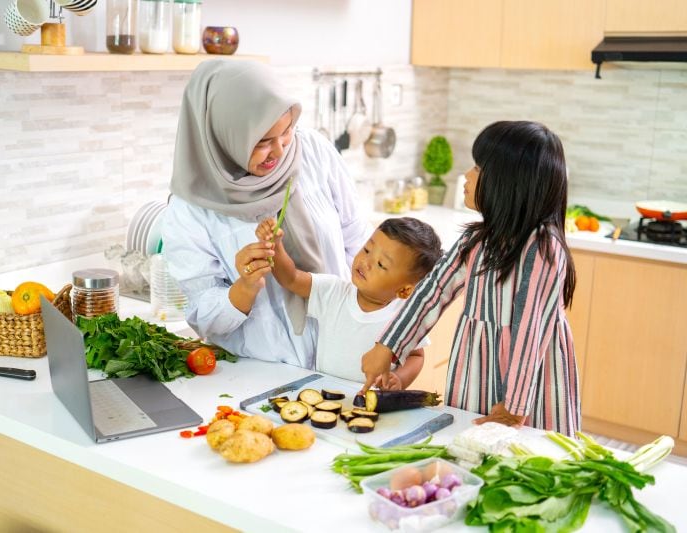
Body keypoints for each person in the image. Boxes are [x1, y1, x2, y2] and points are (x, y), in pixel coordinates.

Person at [360, 121, 580, 435]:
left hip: (529, 385)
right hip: (476, 367)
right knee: (470, 446)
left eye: (477, 167)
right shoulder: (475, 242)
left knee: (532, 456)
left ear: (508, 183)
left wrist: (514, 407)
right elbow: (431, 293)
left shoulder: (543, 250)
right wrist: (388, 346)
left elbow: (530, 332)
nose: (466, 174)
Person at [161, 60, 371, 369]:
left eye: (287, 131)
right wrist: (243, 289)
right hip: (266, 375)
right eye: (261, 141)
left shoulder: (313, 151)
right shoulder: (189, 211)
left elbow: (357, 242)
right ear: (223, 135)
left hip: (347, 355)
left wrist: (375, 323)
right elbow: (203, 317)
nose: (280, 150)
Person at [255, 216, 443, 388]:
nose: (366, 262)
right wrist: (276, 245)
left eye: (381, 264)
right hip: (322, 394)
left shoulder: (405, 317)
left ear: (404, 290)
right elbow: (291, 279)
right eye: (367, 249)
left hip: (369, 405)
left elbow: (416, 355)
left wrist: (400, 379)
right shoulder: (334, 292)